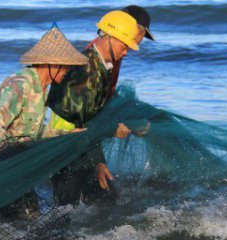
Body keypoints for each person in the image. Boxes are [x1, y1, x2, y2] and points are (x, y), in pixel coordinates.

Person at [0, 25, 88, 218]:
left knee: (28, 217)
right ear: (51, 63)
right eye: (66, 65)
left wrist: (66, 134)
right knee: (20, 218)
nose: (68, 71)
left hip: (17, 168)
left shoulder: (41, 90)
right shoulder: (20, 85)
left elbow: (33, 132)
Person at [46, 9, 152, 205]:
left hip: (79, 145)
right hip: (66, 147)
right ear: (109, 37)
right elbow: (81, 124)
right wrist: (99, 161)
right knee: (69, 209)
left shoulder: (102, 66)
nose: (127, 52)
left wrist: (99, 159)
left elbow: (91, 118)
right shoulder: (87, 70)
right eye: (125, 45)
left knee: (96, 205)